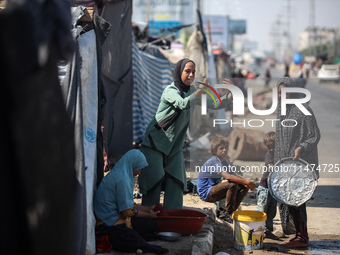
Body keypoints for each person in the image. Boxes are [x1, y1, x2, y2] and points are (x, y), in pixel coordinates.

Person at [138, 58, 233, 210]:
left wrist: (229, 96)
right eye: (187, 71)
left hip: (174, 147)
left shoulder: (193, 91)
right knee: (153, 183)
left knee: (177, 181)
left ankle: (172, 220)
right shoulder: (171, 90)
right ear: (179, 72)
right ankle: (149, 223)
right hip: (155, 144)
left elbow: (214, 104)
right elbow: (183, 104)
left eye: (193, 72)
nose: (191, 75)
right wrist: (199, 92)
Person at [275, 77, 321, 248]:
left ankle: (302, 236)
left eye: (285, 92)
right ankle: (297, 234)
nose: (282, 96)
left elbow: (315, 135)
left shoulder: (303, 110)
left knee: (298, 200)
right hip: (285, 164)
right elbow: (280, 139)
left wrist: (301, 147)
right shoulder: (281, 110)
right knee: (288, 198)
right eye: (279, 93)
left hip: (301, 164)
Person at [94, 149, 162, 252]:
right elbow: (127, 210)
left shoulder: (121, 173)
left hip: (112, 215)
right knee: (150, 225)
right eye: (139, 168)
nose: (139, 172)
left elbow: (128, 204)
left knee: (149, 227)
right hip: (107, 221)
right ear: (132, 164)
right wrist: (149, 215)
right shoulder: (122, 179)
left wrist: (148, 208)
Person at [197, 135, 256, 223]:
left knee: (243, 186)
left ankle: (231, 212)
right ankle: (227, 214)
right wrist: (246, 181)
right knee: (231, 184)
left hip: (213, 190)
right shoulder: (213, 161)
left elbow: (233, 175)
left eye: (226, 148)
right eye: (221, 148)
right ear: (214, 150)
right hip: (206, 193)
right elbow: (228, 176)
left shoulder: (223, 161)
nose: (224, 150)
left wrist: (246, 183)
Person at [256, 131, 279, 240]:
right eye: (268, 147)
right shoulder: (269, 155)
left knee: (271, 212)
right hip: (265, 188)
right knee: (262, 210)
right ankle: (258, 229)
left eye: (273, 146)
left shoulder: (279, 155)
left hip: (273, 189)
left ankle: (267, 231)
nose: (271, 149)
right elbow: (271, 167)